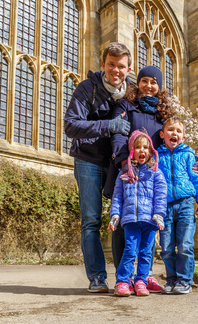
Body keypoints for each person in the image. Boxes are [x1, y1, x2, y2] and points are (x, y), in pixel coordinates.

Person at [64, 42, 132, 293]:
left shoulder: (131, 93)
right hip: (88, 160)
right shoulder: (87, 88)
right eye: (111, 64)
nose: (116, 70)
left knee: (125, 219)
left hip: (117, 163)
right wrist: (108, 125)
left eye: (121, 66)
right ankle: (97, 277)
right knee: (91, 221)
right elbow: (70, 126)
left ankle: (124, 277)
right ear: (103, 64)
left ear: (128, 68)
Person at [106, 65, 173, 292]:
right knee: (125, 229)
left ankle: (144, 277)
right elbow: (117, 135)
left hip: (152, 175)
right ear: (138, 83)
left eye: (154, 82)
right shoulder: (126, 105)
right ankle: (123, 278)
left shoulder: (163, 114)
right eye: (145, 81)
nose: (149, 86)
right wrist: (126, 163)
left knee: (147, 231)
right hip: (127, 172)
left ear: (159, 87)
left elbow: (173, 140)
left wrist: (194, 159)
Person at [109, 130, 167, 296]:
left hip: (149, 221)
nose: (142, 150)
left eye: (145, 147)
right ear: (132, 150)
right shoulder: (125, 173)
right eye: (138, 147)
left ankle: (141, 281)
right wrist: (115, 215)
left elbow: (161, 195)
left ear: (150, 151)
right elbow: (118, 196)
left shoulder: (155, 172)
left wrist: (159, 214)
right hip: (131, 220)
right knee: (129, 251)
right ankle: (123, 281)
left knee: (145, 253)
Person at [157, 117, 198, 294]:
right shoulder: (157, 155)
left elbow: (196, 179)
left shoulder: (189, 155)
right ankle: (171, 280)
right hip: (164, 206)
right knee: (167, 247)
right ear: (162, 135)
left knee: (185, 245)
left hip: (186, 203)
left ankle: (185, 280)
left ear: (183, 137)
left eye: (179, 131)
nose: (175, 133)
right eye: (171, 130)